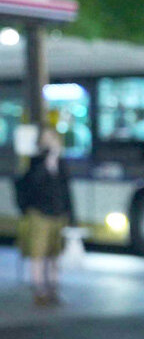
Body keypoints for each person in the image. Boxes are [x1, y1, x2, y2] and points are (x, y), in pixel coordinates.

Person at [16, 127, 74, 307]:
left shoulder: (61, 163)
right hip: (40, 214)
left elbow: (66, 190)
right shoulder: (35, 162)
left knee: (54, 254)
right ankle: (39, 291)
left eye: (53, 139)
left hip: (59, 214)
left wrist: (71, 215)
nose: (51, 143)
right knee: (38, 254)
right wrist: (47, 163)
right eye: (47, 139)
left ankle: (53, 289)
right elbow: (31, 184)